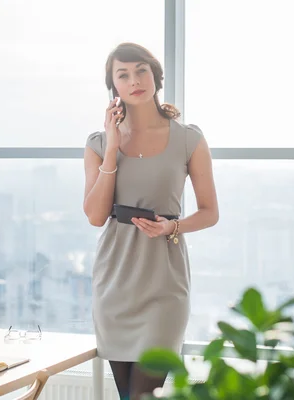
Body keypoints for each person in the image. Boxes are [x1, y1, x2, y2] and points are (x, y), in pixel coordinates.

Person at [83, 42, 219, 400]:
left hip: (164, 284)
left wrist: (172, 227)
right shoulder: (98, 144)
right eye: (123, 74)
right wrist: (112, 148)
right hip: (115, 282)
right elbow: (96, 216)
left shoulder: (189, 138)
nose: (134, 80)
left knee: (144, 395)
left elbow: (210, 211)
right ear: (114, 87)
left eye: (141, 70)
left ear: (156, 76)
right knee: (130, 396)